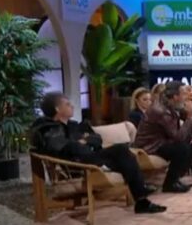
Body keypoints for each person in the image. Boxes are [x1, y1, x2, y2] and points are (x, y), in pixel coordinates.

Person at [31, 92, 166, 214]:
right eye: (67, 104)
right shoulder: (49, 129)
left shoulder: (74, 125)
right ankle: (141, 193)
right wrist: (81, 141)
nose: (72, 106)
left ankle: (142, 201)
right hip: (77, 166)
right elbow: (64, 147)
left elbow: (97, 139)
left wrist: (84, 140)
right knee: (121, 152)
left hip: (90, 158)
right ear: (57, 109)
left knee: (123, 152)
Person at [133, 81, 192, 193]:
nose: (186, 97)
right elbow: (178, 137)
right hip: (150, 146)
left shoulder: (171, 105)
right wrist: (190, 117)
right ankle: (170, 184)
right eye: (184, 94)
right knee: (182, 148)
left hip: (162, 142)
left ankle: (176, 178)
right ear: (175, 97)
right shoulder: (160, 110)